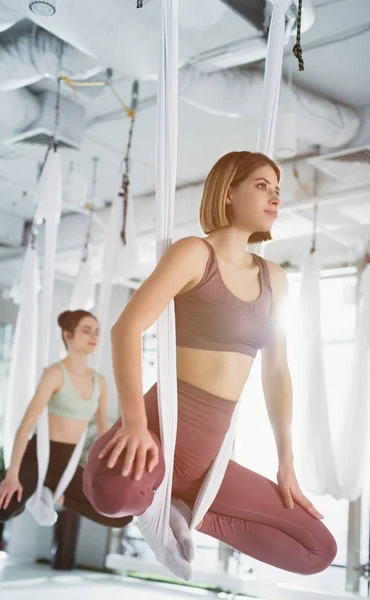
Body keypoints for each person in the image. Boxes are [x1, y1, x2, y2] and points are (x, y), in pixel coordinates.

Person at [83, 151, 338, 575]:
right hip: (156, 436)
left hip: (207, 467)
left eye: (277, 190)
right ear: (227, 193)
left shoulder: (275, 278)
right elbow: (125, 330)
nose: (275, 197)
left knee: (316, 550)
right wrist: (133, 423)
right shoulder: (194, 255)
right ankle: (153, 502)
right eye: (261, 186)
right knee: (113, 497)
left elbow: (277, 372)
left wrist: (286, 461)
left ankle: (183, 510)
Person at [0, 309, 132, 528]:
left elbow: (104, 431)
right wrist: (12, 474)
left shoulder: (99, 382)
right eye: (86, 331)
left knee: (121, 516)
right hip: (37, 456)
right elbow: (26, 425)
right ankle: (33, 493)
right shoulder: (55, 374)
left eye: (96, 332)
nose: (94, 337)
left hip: (68, 464)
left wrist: (110, 473)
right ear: (68, 335)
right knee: (2, 511)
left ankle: (56, 498)